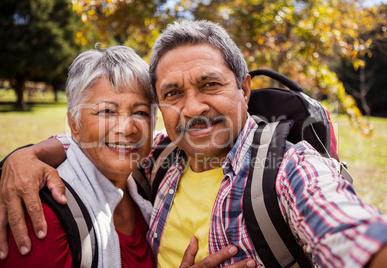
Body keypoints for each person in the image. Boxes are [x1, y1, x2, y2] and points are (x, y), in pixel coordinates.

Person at [1, 20, 387, 267]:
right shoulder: (161, 160)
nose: (193, 108)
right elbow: (98, 144)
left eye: (210, 84)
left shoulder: (287, 166)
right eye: (173, 93)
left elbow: (343, 225)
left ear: (244, 89)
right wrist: (25, 155)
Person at [0, 45, 254, 268]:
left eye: (141, 112)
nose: (127, 128)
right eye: (107, 111)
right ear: (74, 124)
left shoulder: (150, 183)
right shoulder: (44, 214)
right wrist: (24, 156)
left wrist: (30, 153)